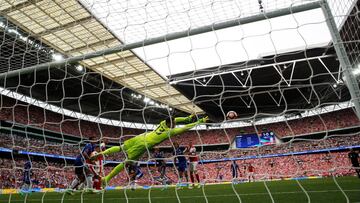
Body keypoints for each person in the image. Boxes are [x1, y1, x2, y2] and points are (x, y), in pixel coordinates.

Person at [92, 115, 208, 185]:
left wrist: (187, 118)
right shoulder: (170, 131)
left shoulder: (163, 122)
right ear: (170, 123)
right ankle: (106, 179)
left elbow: (176, 119)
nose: (175, 124)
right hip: (144, 144)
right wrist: (200, 121)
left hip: (142, 136)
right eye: (173, 123)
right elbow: (186, 127)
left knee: (121, 147)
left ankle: (103, 153)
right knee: (126, 162)